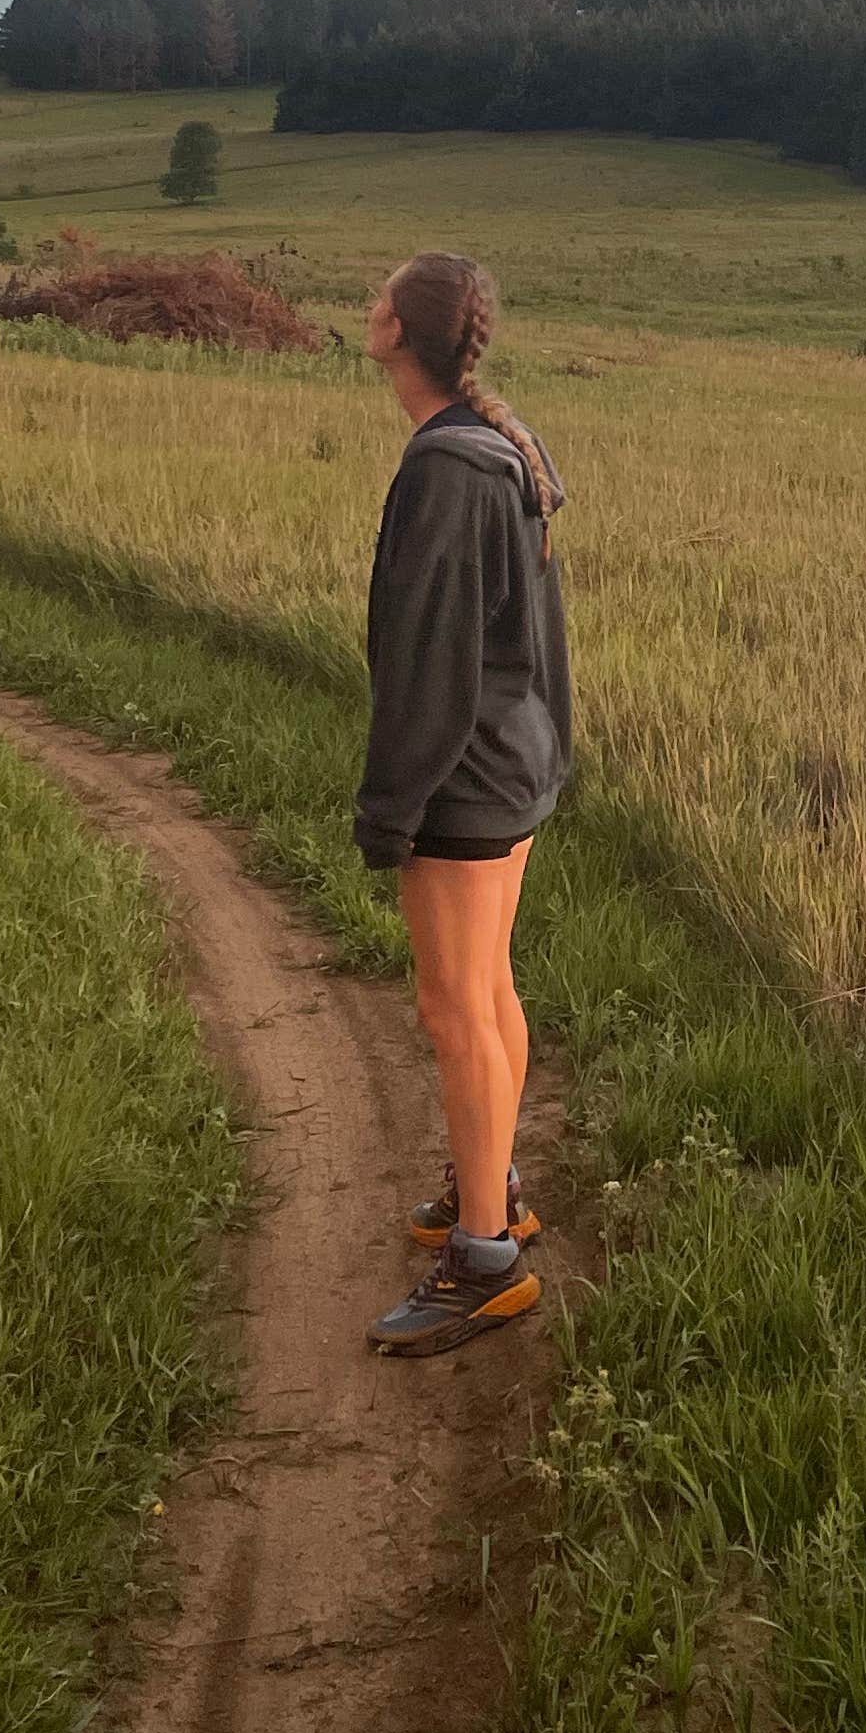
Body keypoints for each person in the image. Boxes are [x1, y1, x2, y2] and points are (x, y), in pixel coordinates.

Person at [354, 250, 570, 1358]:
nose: (368, 305)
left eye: (380, 295)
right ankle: (494, 1184)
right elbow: (531, 644)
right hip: (509, 763)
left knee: (454, 1010)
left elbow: (429, 661)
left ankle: (485, 1259)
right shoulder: (498, 447)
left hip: (465, 776)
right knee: (487, 990)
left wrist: (391, 805)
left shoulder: (447, 470)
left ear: (404, 332)